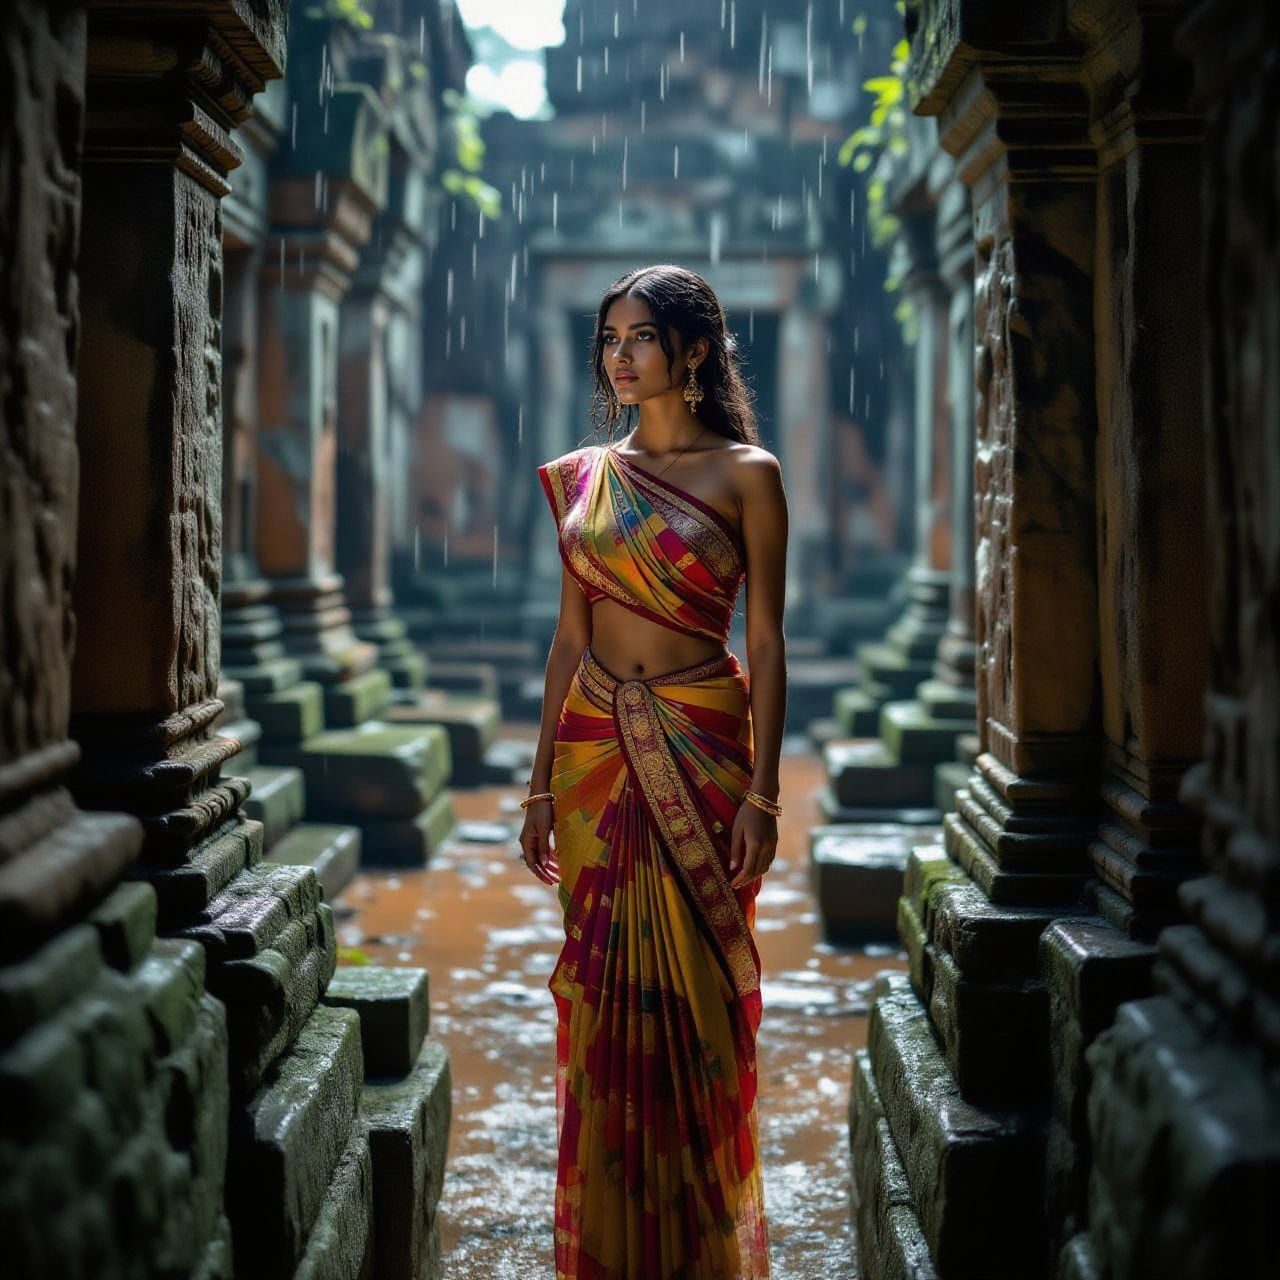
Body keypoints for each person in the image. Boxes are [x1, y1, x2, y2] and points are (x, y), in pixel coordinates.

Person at [519, 264, 788, 1280]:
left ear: (694, 350)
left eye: (637, 337)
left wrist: (763, 791)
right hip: (592, 752)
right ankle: (618, 1245)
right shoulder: (582, 475)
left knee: (699, 998)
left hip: (704, 742)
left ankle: (701, 1240)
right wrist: (539, 784)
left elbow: (765, 639)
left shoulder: (746, 474)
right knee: (602, 992)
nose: (617, 356)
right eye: (609, 338)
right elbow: (563, 640)